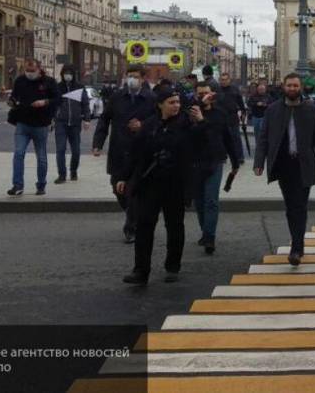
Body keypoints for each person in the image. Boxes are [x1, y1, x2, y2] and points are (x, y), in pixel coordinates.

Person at [117, 87, 206, 285]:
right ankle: (141, 270)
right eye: (171, 102)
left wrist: (201, 122)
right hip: (150, 183)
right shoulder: (150, 125)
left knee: (174, 226)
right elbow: (135, 153)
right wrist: (123, 177)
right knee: (144, 226)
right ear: (160, 104)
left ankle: (172, 266)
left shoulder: (186, 123)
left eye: (177, 102)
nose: (176, 106)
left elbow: (202, 143)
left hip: (176, 184)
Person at [254, 73, 315, 265]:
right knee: (291, 207)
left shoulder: (311, 109)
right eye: (289, 85)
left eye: (295, 86)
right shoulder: (273, 110)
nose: (292, 89)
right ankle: (298, 243)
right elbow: (263, 138)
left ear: (301, 87)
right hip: (283, 164)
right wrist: (258, 162)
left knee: (300, 205)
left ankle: (296, 247)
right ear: (283, 87)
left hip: (303, 164)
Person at [93, 65, 156, 243]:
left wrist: (143, 126)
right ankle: (132, 214)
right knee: (117, 188)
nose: (132, 79)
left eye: (136, 76)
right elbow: (105, 120)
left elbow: (159, 119)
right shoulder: (117, 97)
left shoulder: (151, 98)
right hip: (119, 150)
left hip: (141, 152)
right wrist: (98, 143)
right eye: (129, 76)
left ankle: (131, 227)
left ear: (143, 78)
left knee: (134, 190)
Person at [191, 82, 241, 254]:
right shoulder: (189, 113)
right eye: (200, 94)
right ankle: (205, 231)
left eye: (206, 93)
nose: (204, 96)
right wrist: (198, 113)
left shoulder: (220, 113)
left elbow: (227, 138)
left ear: (212, 94)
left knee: (211, 200)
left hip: (215, 160)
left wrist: (235, 162)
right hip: (195, 162)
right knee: (199, 201)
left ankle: (209, 237)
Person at [7, 58, 60, 196]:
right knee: (18, 153)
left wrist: (45, 102)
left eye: (32, 71)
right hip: (22, 123)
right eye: (27, 70)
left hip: (40, 124)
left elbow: (58, 99)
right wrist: (12, 101)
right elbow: (14, 96)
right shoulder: (20, 80)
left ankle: (41, 185)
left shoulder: (48, 82)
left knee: (41, 156)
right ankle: (17, 185)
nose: (29, 73)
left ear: (39, 69)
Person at [54, 64, 91, 184]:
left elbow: (85, 104)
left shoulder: (79, 87)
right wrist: (52, 118)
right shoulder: (58, 87)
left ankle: (73, 171)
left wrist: (87, 119)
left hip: (75, 123)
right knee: (60, 149)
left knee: (76, 151)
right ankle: (62, 175)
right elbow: (53, 104)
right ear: (62, 74)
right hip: (61, 123)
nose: (67, 75)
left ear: (73, 75)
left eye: (69, 73)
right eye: (65, 73)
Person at [216, 72, 247, 158]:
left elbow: (240, 102)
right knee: (222, 138)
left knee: (236, 138)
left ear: (229, 80)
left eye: (226, 79)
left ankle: (239, 156)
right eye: (222, 80)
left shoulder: (235, 89)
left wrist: (243, 112)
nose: (224, 81)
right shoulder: (217, 90)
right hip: (221, 118)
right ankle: (223, 156)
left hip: (232, 117)